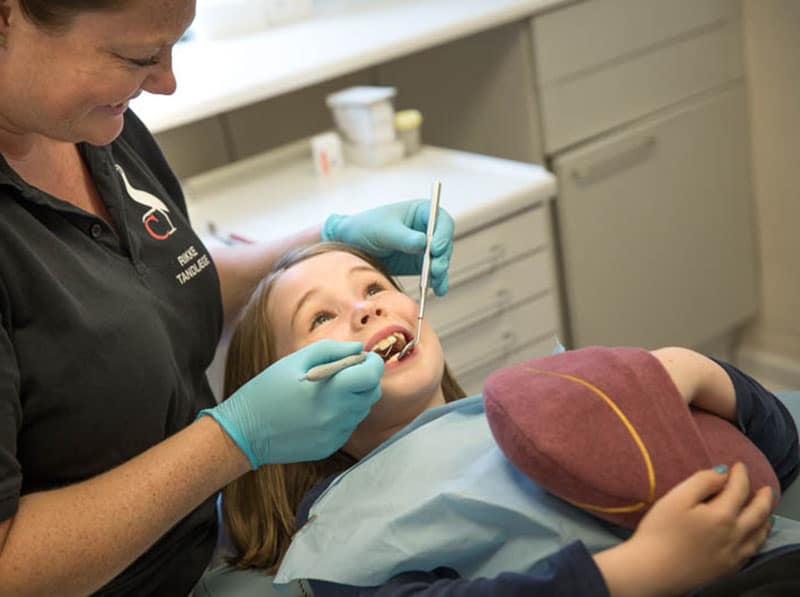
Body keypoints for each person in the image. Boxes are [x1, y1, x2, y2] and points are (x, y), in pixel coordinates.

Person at [0, 1, 455, 594]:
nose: (165, 82)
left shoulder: (92, 118)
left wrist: (328, 239)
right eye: (136, 57)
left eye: (370, 288)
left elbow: (153, 283)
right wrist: (233, 438)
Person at [219, 242, 800, 597]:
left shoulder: (549, 400)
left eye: (373, 286)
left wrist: (697, 373)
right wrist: (639, 571)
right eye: (320, 318)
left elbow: (780, 453)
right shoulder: (344, 534)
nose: (366, 305)